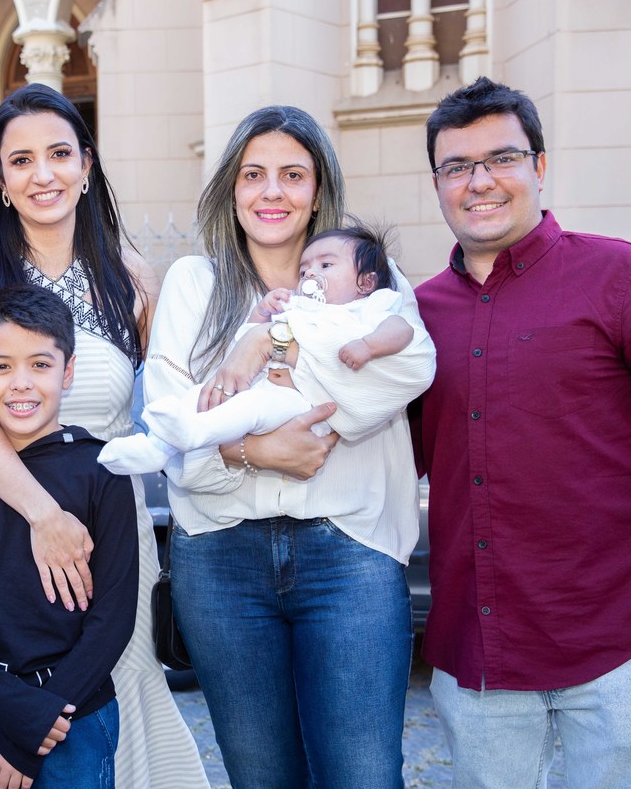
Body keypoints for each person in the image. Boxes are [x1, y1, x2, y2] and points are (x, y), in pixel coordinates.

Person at [143, 106, 435, 788]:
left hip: (350, 553)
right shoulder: (194, 283)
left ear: (318, 188)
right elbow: (169, 425)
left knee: (363, 775)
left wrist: (307, 410)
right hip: (220, 560)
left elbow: (398, 378)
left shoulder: (373, 280)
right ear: (231, 188)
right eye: (254, 174)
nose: (272, 191)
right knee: (260, 777)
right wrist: (256, 451)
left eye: (292, 175)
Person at [0, 82, 209, 788]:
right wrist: (43, 515)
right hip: (5, 529)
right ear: (0, 180)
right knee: (18, 705)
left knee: (115, 707)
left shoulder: (134, 282)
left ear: (87, 166)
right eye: (20, 160)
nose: (43, 174)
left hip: (110, 542)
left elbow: (180, 407)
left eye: (59, 153)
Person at [412, 76, 631, 788]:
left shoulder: (625, 278)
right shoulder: (412, 316)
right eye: (457, 167)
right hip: (479, 651)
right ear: (437, 184)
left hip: (620, 643)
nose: (479, 182)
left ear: (539, 167)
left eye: (502, 159)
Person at [0, 284, 139, 789]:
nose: (21, 384)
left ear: (69, 370)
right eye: (1, 367)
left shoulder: (102, 473)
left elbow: (112, 620)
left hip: (72, 720)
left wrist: (32, 733)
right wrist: (18, 715)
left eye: (40, 364)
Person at [100, 222, 429, 475]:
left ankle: (190, 436)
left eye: (326, 266)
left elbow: (402, 332)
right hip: (268, 382)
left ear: (365, 282)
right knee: (203, 394)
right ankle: (157, 446)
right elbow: (245, 343)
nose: (312, 273)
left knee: (251, 408)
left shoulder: (372, 305)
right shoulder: (301, 305)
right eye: (305, 270)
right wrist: (261, 315)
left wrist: (368, 345)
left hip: (296, 401)